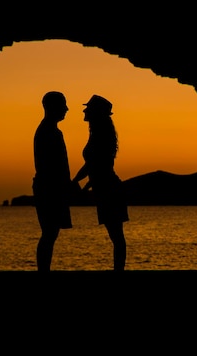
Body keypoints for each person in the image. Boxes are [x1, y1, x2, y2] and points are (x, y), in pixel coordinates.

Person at [72, 95, 129, 271]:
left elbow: (97, 166)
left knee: (116, 235)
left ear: (95, 113)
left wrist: (83, 186)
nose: (84, 111)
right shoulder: (97, 134)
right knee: (115, 235)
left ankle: (118, 271)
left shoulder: (100, 136)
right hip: (104, 188)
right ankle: (118, 270)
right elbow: (91, 166)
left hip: (109, 189)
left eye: (88, 108)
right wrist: (76, 181)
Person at [32, 91, 78, 272]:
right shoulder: (47, 131)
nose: (66, 109)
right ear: (52, 107)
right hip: (49, 189)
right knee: (49, 233)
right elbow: (50, 165)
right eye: (63, 105)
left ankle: (44, 270)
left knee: (51, 233)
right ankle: (44, 271)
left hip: (52, 188)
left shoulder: (50, 130)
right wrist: (63, 186)